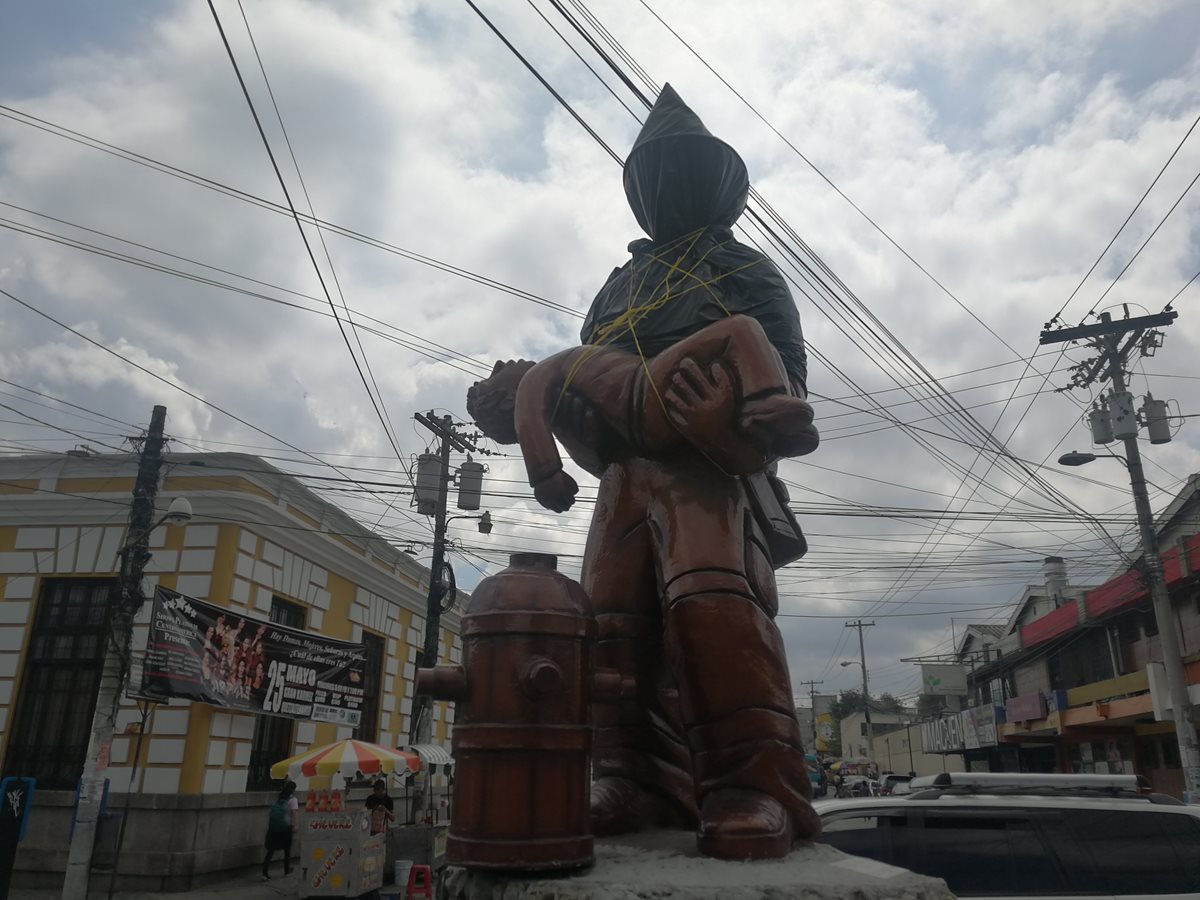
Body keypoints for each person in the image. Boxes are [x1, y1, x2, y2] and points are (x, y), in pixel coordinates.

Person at [469, 84, 818, 860]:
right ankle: (625, 772)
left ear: (720, 183)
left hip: (712, 474)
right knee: (610, 623)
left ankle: (753, 784)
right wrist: (579, 442)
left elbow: (791, 393)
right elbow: (596, 406)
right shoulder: (619, 287)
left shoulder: (749, 269)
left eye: (682, 170)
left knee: (710, 607)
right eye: (655, 173)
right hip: (626, 477)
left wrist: (719, 428)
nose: (669, 184)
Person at [467, 314, 818, 513]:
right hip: (642, 397)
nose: (500, 363)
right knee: (740, 329)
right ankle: (765, 406)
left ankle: (767, 429)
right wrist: (545, 476)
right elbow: (530, 416)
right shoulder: (538, 379)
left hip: (645, 413)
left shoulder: (562, 390)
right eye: (493, 377)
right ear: (504, 400)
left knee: (738, 341)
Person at [262, 781, 298, 880]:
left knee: (271, 851)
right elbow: (294, 813)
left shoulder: (280, 797)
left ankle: (264, 873)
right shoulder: (293, 799)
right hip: (286, 828)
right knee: (287, 850)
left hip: (274, 827)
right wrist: (295, 825)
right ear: (294, 789)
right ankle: (286, 870)